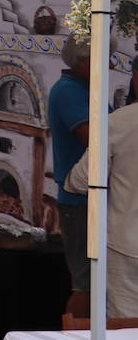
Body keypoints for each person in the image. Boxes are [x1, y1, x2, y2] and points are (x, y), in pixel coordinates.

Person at [66, 88, 138, 316]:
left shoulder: (119, 121)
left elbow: (80, 179)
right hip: (125, 242)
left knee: (126, 326)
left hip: (126, 242)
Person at [49, 36, 94, 302]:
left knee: (92, 282)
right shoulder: (68, 91)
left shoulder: (85, 88)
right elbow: (94, 140)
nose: (108, 64)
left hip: (90, 198)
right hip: (79, 200)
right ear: (81, 61)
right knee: (85, 283)